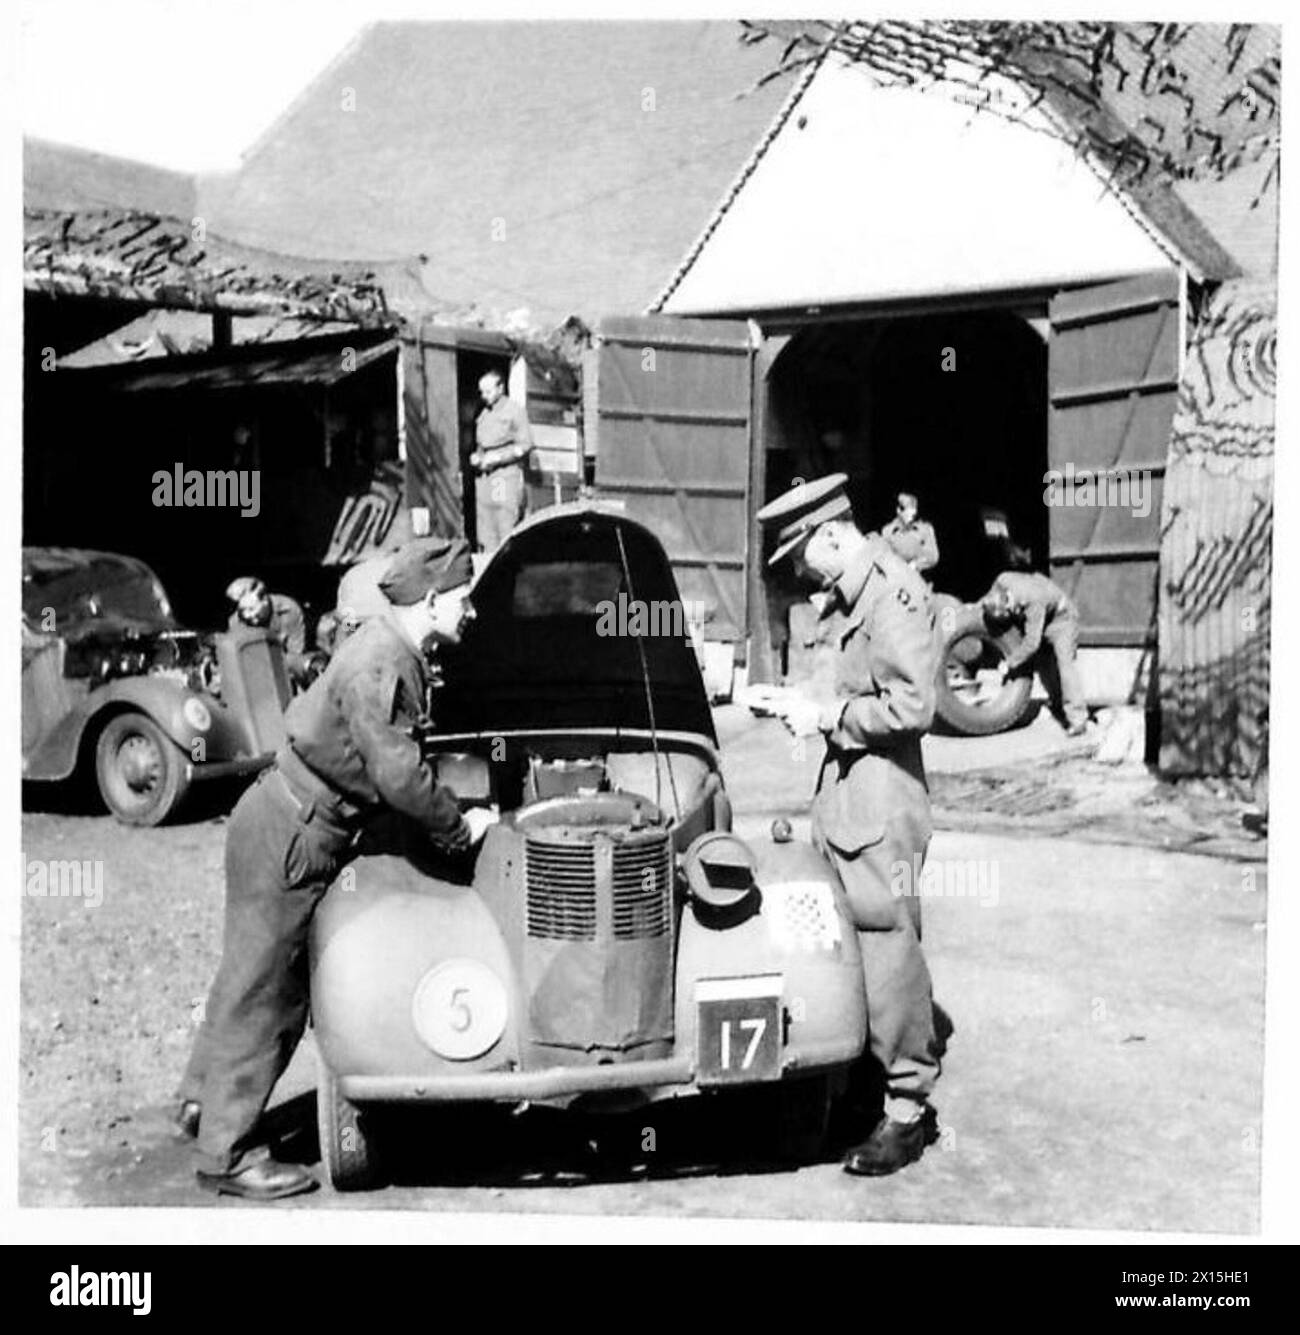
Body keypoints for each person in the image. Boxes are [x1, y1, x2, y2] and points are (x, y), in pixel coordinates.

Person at [177, 538, 495, 1199]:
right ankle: (227, 1155)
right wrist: (460, 826)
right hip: (297, 829)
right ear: (432, 601)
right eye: (464, 600)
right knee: (274, 989)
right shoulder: (385, 665)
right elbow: (400, 776)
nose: (472, 614)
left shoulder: (389, 646)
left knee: (246, 970)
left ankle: (201, 1103)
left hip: (279, 814)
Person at [755, 474, 943, 1176]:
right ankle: (862, 1075)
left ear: (832, 533)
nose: (801, 570)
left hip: (881, 800)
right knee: (842, 943)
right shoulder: (848, 595)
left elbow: (913, 706)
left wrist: (832, 717)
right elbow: (847, 684)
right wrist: (798, 699)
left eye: (803, 554)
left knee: (887, 945)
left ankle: (907, 1109)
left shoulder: (894, 595)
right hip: (844, 792)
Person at [982, 569, 1087, 736]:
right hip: (1041, 615)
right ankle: (1057, 704)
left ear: (1008, 607)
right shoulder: (1002, 580)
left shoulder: (1032, 602)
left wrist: (1009, 663)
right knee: (1044, 666)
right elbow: (987, 601)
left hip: (1062, 621)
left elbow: (1032, 643)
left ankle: (1078, 719)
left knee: (1064, 666)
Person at [470, 369, 533, 552]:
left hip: (502, 478)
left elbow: (525, 444)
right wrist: (477, 457)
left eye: (488, 391)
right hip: (484, 478)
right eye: (482, 392)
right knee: (485, 526)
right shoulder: (483, 415)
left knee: (503, 522)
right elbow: (481, 446)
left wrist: (499, 458)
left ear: (500, 388)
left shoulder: (514, 411)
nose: (484, 396)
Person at [225, 576, 314, 687]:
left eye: (252, 609)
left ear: (264, 599)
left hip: (286, 668)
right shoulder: (237, 621)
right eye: (243, 610)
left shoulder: (289, 610)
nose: (248, 615)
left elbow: (296, 655)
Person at [881, 491, 939, 574]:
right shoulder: (888, 531)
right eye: (909, 511)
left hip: (915, 580)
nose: (913, 515)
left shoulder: (925, 529)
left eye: (914, 511)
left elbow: (933, 556)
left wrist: (916, 564)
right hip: (892, 575)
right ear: (899, 510)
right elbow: (883, 556)